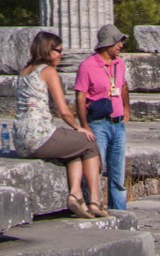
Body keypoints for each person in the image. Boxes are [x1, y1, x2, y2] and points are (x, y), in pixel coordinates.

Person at [12, 30, 107, 219]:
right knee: (89, 143)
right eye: (58, 51)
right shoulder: (48, 72)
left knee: (73, 148)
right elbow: (63, 110)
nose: (61, 55)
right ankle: (95, 201)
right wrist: (78, 127)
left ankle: (76, 196)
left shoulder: (24, 71)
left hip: (20, 139)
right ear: (48, 50)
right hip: (39, 136)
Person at [74, 24, 130, 211]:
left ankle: (120, 211)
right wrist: (84, 124)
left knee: (118, 172)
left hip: (118, 123)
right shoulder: (87, 66)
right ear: (107, 44)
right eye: (117, 41)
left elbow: (123, 86)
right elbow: (80, 96)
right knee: (96, 167)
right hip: (98, 124)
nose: (121, 45)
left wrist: (126, 108)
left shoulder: (119, 64)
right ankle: (93, 204)